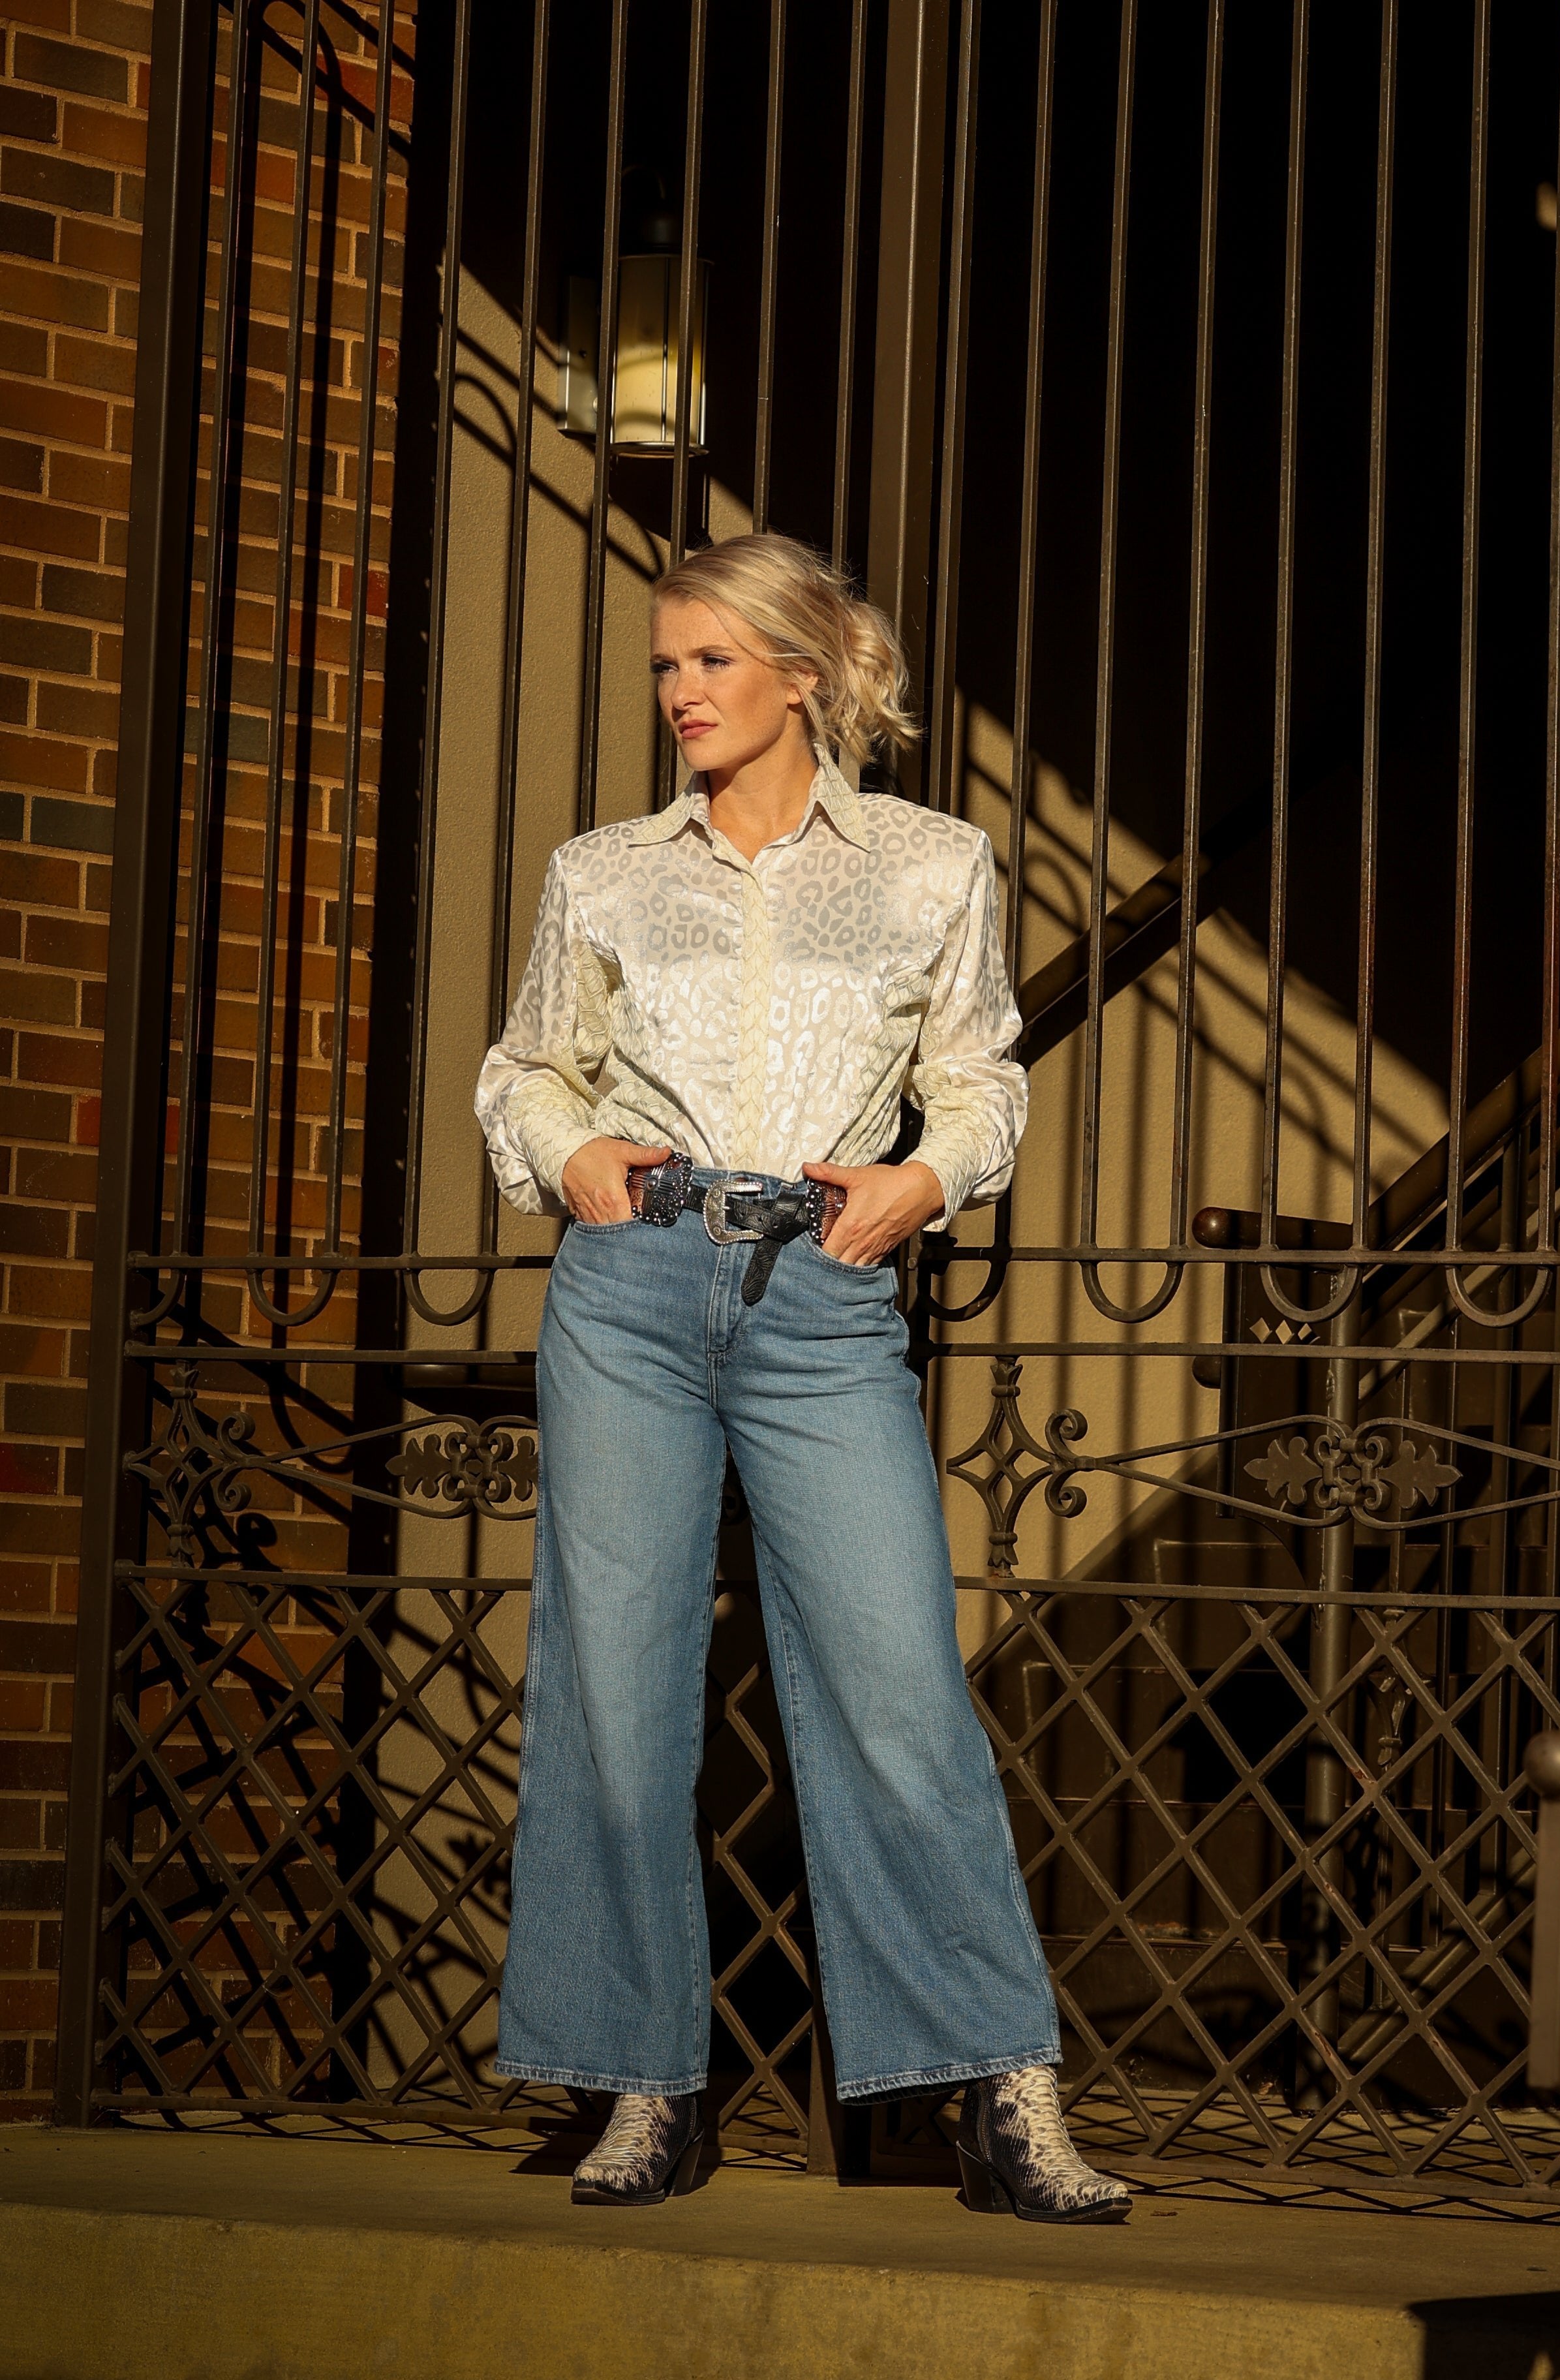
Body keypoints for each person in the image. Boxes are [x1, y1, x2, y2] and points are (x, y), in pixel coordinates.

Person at [474, 531, 1127, 2223]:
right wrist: (574, 1157)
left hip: (823, 1299)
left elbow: (978, 1074)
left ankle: (1001, 2092)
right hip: (631, 1287)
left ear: (803, 677)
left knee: (902, 1687)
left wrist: (928, 1179)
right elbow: (522, 1068)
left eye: (707, 662)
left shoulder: (931, 866)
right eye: (665, 667)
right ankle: (643, 2083)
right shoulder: (607, 872)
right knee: (618, 1692)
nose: (680, 693)